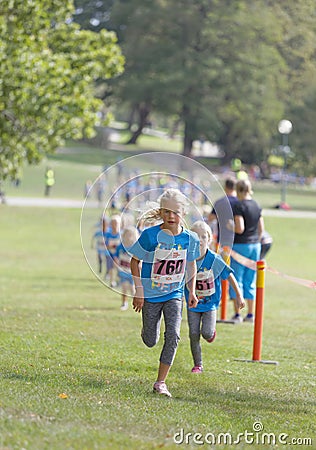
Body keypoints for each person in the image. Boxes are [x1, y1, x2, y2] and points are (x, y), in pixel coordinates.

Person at [130, 188, 200, 397]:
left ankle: (160, 382)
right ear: (160, 212)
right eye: (167, 212)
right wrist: (139, 290)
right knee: (151, 340)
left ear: (183, 213)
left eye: (175, 212)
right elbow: (135, 262)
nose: (171, 216)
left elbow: (191, 265)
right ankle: (147, 329)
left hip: (174, 295)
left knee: (174, 335)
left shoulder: (190, 239)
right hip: (151, 295)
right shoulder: (150, 236)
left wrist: (192, 290)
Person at [185, 221, 245, 373]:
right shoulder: (187, 259)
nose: (199, 240)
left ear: (209, 239)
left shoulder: (214, 259)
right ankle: (198, 364)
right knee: (193, 333)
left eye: (203, 237)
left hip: (210, 304)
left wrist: (239, 296)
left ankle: (211, 333)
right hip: (192, 304)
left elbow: (229, 275)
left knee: (206, 332)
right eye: (195, 237)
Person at [229, 180, 264, 323]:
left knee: (237, 279)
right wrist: (256, 240)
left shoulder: (238, 205)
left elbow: (240, 228)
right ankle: (250, 314)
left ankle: (237, 314)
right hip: (255, 245)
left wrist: (229, 226)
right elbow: (261, 228)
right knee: (251, 279)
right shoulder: (256, 205)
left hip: (240, 245)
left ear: (237, 190)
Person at [208, 177, 238, 248]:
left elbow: (210, 218)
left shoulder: (219, 202)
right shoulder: (240, 202)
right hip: (238, 240)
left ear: (225, 187)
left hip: (223, 238)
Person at [114, 226, 139, 311]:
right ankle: (124, 303)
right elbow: (115, 256)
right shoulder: (120, 246)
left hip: (132, 272)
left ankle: (135, 303)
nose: (128, 237)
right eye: (127, 235)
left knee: (132, 289)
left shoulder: (136, 248)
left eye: (130, 235)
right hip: (123, 271)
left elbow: (140, 259)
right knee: (124, 288)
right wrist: (116, 264)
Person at [104, 215, 121, 287]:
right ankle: (112, 281)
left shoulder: (120, 234)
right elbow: (106, 245)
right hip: (110, 254)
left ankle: (119, 280)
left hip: (118, 255)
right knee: (111, 268)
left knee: (118, 268)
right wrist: (110, 246)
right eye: (113, 223)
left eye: (116, 223)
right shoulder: (108, 234)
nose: (114, 225)